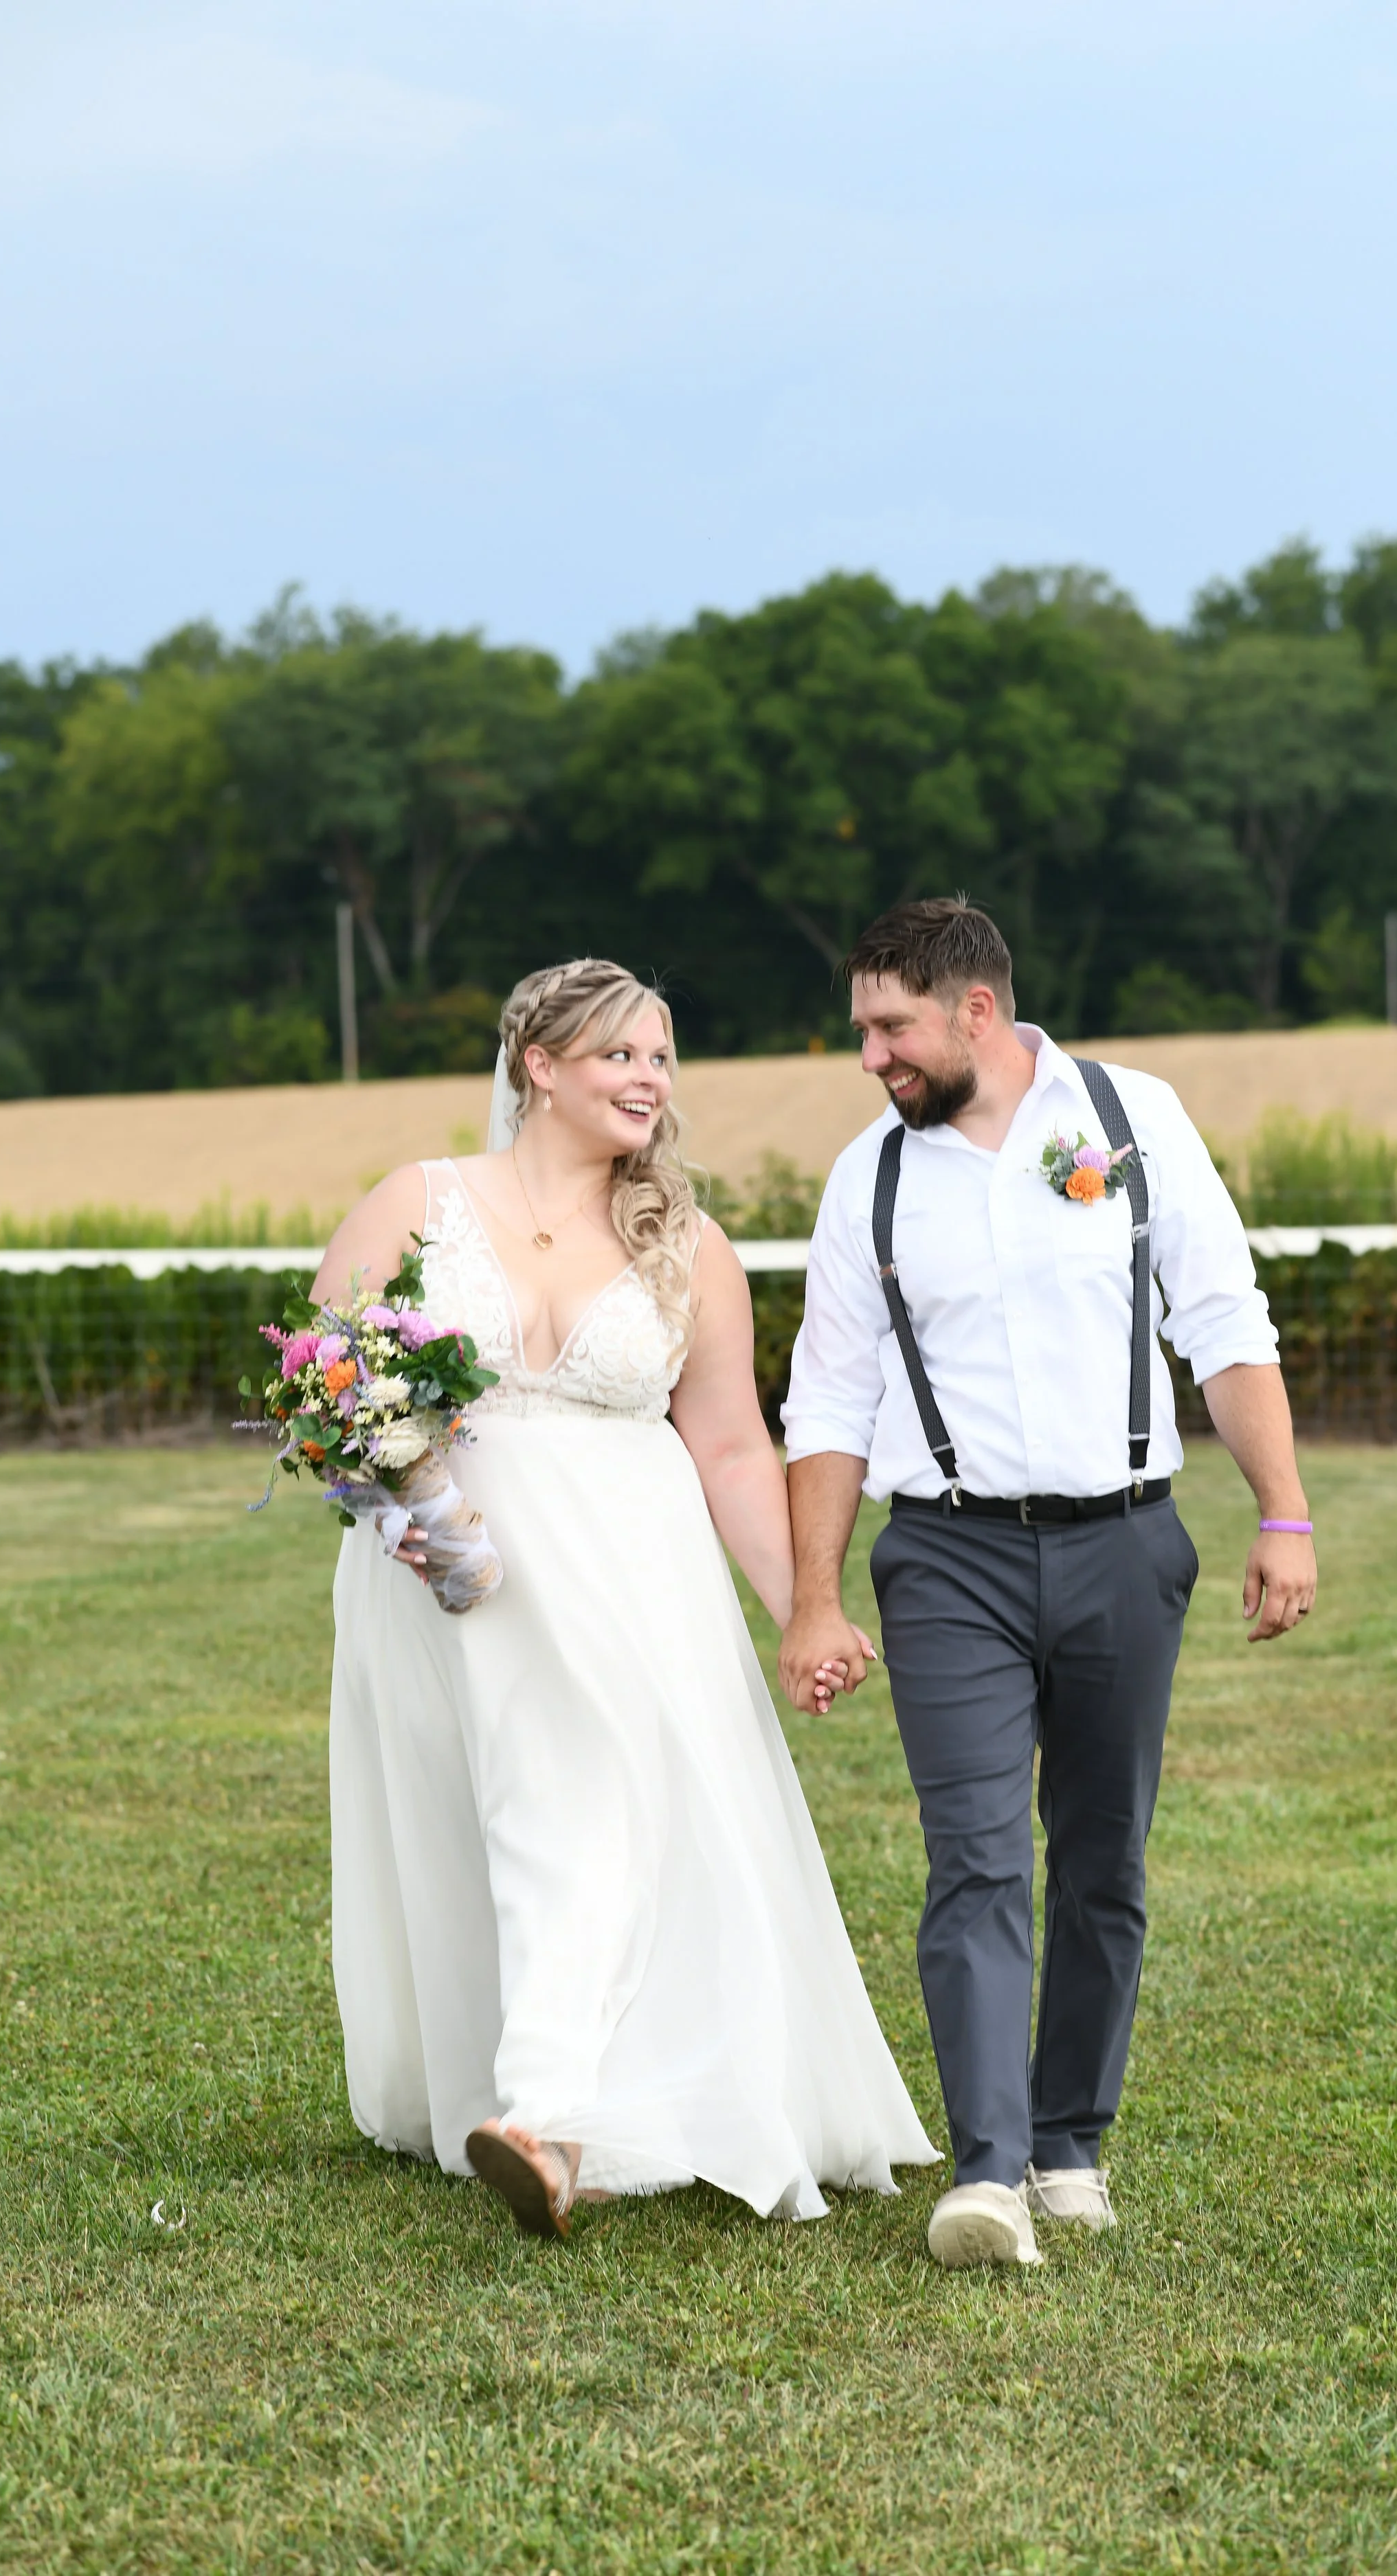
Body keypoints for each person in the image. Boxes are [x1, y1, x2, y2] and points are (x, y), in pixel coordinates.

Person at [314, 958, 937, 2238]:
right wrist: (406, 1508)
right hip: (440, 1573)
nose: (652, 1078)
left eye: (662, 1057)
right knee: (467, 1822)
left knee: (580, 1807)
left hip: (625, 1576)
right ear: (538, 1064)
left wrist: (798, 1610)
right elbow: (324, 1384)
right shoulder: (417, 1203)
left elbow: (728, 1448)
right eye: (622, 1054)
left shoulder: (689, 1246)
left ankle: (545, 2116)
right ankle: (506, 2083)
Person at [778, 900, 1316, 2269]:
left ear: (971, 1012)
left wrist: (1283, 1512)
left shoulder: (1129, 1120)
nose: (868, 1057)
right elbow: (828, 1395)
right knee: (970, 1857)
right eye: (860, 1030)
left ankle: (1070, 2142)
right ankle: (986, 2171)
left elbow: (1220, 1317)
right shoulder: (868, 1180)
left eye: (888, 1027)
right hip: (946, 1552)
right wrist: (815, 1596)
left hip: (1124, 1544)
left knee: (1099, 1858)